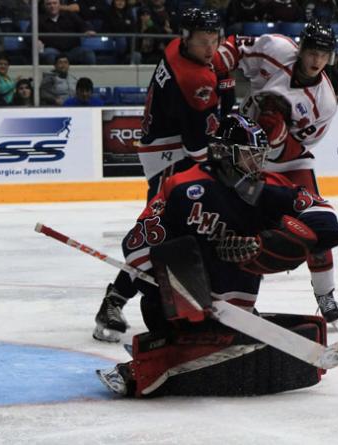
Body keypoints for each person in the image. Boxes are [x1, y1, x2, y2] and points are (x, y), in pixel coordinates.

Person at [96, 114, 338, 397]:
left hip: (236, 311)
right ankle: (162, 350)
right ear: (223, 152)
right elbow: (138, 243)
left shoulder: (267, 189)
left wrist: (283, 241)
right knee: (175, 252)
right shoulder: (181, 186)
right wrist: (179, 287)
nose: (258, 164)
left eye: (260, 156)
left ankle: (187, 349)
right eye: (250, 156)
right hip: (174, 309)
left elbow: (323, 217)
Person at [92, 8, 235, 343]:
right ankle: (115, 300)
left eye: (215, 40)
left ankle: (192, 300)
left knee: (180, 232)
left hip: (167, 152)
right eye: (204, 42)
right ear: (188, 38)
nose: (211, 48)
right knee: (161, 232)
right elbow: (197, 143)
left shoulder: (176, 48)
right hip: (173, 158)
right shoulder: (195, 79)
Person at [215, 20, 338, 324]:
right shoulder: (276, 48)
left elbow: (300, 145)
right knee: (235, 229)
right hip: (243, 152)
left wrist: (275, 140)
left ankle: (325, 293)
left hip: (289, 161)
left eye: (323, 55)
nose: (316, 60)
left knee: (314, 223)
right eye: (312, 51)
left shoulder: (324, 102)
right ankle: (238, 299)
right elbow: (232, 48)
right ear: (300, 49)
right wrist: (217, 75)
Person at [37, 0, 96, 65]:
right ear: (44, 6)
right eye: (49, 4)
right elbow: (30, 34)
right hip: (52, 50)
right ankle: (55, 75)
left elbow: (83, 25)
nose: (52, 6)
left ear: (59, 5)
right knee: (48, 54)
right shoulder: (39, 19)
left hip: (72, 50)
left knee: (87, 53)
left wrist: (88, 30)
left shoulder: (70, 15)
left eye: (55, 3)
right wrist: (36, 40)